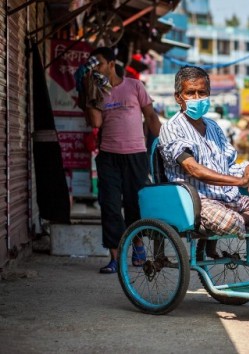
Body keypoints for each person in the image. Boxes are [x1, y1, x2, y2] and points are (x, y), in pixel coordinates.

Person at [158, 66, 249, 256]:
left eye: (202, 93)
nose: (197, 98)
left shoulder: (214, 127)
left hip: (230, 198)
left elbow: (231, 163)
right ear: (178, 97)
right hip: (199, 201)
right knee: (231, 222)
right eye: (190, 93)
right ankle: (246, 219)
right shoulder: (172, 128)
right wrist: (239, 181)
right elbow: (193, 169)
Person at [83, 47, 161, 274]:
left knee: (134, 204)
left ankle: (138, 246)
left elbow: (150, 116)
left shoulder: (134, 86)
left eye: (98, 63)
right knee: (109, 206)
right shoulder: (98, 90)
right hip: (108, 156)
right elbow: (96, 123)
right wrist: (91, 91)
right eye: (93, 64)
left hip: (136, 155)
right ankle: (115, 258)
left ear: (111, 63)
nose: (95, 67)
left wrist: (164, 143)